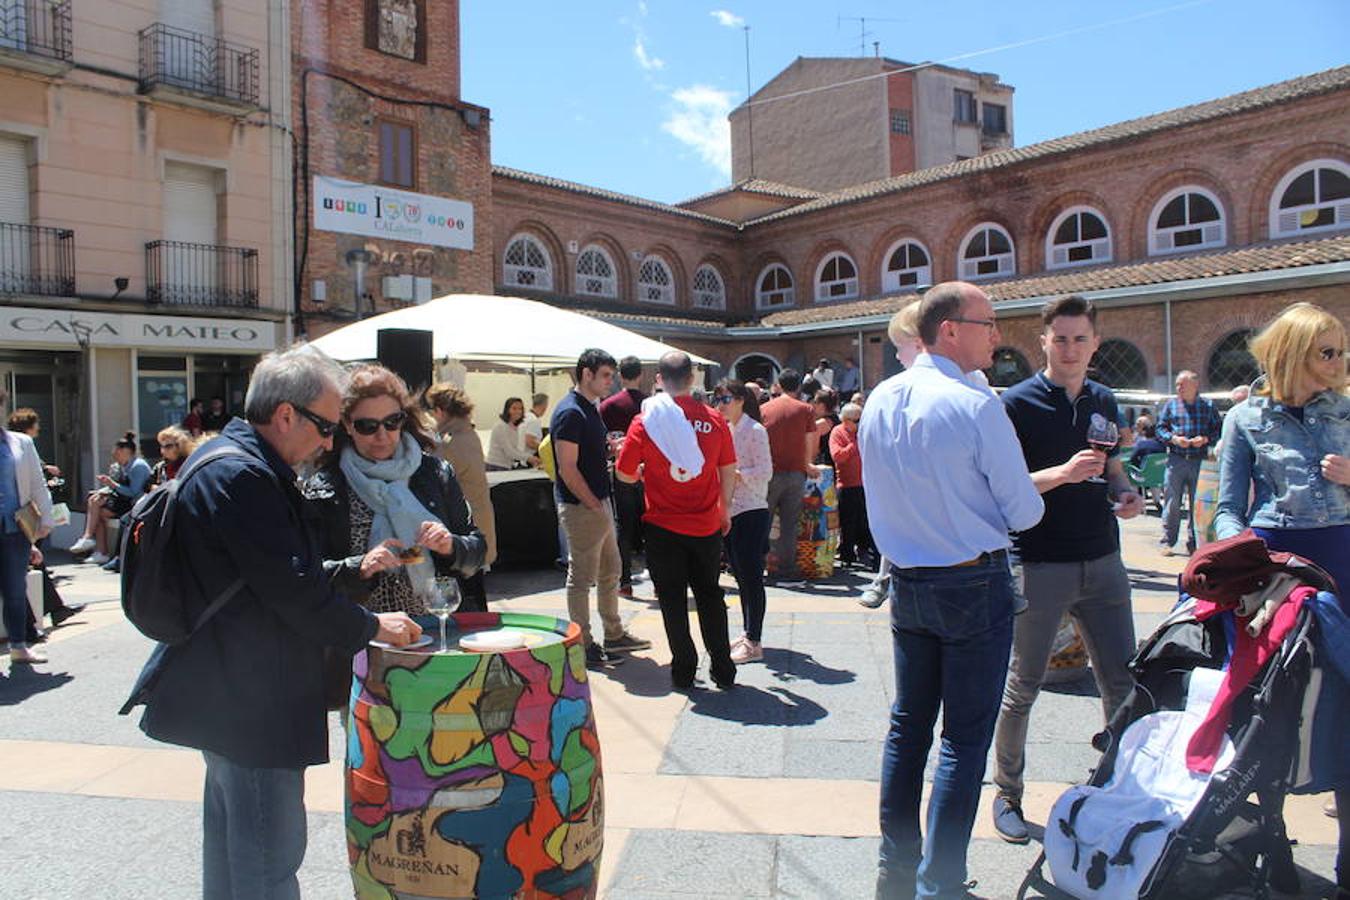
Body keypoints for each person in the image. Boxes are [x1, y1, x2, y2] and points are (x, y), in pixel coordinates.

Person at [129, 345, 423, 900]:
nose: (329, 441)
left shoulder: (227, 460)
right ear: (286, 415)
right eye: (327, 426)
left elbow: (267, 573)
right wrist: (370, 627)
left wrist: (347, 572)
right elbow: (289, 590)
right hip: (252, 700)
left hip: (229, 692)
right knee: (265, 860)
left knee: (233, 855)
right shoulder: (243, 476)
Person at [860, 282, 1043, 899]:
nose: (997, 333)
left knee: (908, 729)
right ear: (948, 331)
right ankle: (940, 883)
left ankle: (895, 868)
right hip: (972, 579)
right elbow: (1024, 511)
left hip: (909, 581)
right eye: (987, 323)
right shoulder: (975, 405)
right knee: (963, 741)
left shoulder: (881, 398)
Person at [990, 295, 1145, 844]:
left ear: (1095, 342)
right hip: (1040, 562)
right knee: (1022, 685)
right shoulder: (1017, 403)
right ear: (1044, 342)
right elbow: (1003, 487)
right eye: (1061, 339)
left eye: (1081, 339)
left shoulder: (1104, 397)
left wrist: (1126, 494)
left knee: (1123, 682)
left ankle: (1118, 786)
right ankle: (1007, 793)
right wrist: (1060, 473)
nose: (1071, 348)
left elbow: (1116, 467)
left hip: (1104, 558)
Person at [1213, 302, 1348, 896]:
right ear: (1292, 355)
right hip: (1274, 575)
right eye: (1328, 351)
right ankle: (1267, 847)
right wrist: (1242, 560)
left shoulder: (1348, 410)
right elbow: (1225, 510)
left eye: (1342, 349)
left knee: (1345, 708)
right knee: (1263, 712)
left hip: (1344, 567)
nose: (1340, 361)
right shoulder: (1244, 419)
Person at [307, 364, 486, 619]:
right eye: (367, 426)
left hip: (435, 627)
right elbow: (307, 576)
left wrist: (450, 546)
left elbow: (477, 550)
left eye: (392, 422)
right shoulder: (327, 486)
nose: (382, 435)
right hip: (361, 636)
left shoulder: (434, 472)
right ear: (347, 425)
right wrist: (360, 567)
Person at [616, 352, 737, 690]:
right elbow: (728, 469)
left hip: (663, 525)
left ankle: (684, 670)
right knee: (710, 596)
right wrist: (723, 508)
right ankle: (723, 668)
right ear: (692, 379)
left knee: (671, 600)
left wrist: (642, 472)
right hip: (706, 524)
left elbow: (625, 476)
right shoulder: (715, 420)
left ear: (659, 380)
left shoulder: (646, 422)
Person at [552, 348, 650, 668]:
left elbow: (584, 459)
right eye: (606, 375)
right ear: (586, 374)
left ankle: (613, 634)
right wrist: (593, 503)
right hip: (583, 506)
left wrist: (609, 450)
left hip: (598, 503)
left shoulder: (588, 408)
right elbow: (567, 467)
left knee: (611, 571)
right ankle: (583, 643)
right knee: (581, 577)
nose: (612, 382)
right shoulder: (570, 412)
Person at [858, 301, 922, 610]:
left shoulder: (971, 384)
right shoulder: (890, 393)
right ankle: (884, 577)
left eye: (900, 346)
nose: (896, 356)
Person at [425, 383, 497, 613]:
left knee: (466, 594)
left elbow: (432, 472)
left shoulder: (451, 442)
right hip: (478, 518)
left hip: (464, 525)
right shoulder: (469, 433)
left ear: (442, 410)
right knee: (475, 586)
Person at [719, 380, 772, 664]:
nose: (721, 405)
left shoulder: (755, 430)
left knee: (751, 577)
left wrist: (736, 473)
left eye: (725, 399)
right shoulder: (726, 428)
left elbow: (766, 471)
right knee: (740, 576)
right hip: (730, 508)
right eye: (718, 399)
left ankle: (755, 640)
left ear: (740, 399)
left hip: (751, 508)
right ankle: (748, 632)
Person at [1, 387, 55, 664]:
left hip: (14, 528)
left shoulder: (20, 443)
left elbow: (36, 482)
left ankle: (19, 646)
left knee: (14, 589)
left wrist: (45, 520)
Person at [1155, 370, 1221, 555]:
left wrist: (1206, 439)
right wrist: (1174, 439)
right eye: (1177, 385)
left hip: (1200, 460)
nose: (1178, 388)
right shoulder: (1171, 405)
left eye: (1182, 384)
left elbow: (1218, 430)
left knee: (1197, 505)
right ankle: (1167, 542)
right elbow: (1160, 429)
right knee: (1172, 502)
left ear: (1195, 385)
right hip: (1176, 459)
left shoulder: (1207, 406)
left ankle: (1194, 544)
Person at [760, 369, 818, 578]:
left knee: (763, 522)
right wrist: (808, 464)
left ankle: (759, 565)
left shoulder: (764, 409)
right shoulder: (806, 409)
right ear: (799, 386)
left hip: (768, 473)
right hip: (795, 472)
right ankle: (787, 567)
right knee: (790, 523)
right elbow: (809, 441)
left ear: (779, 385)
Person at [601, 356, 648, 597]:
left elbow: (602, 441)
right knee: (652, 525)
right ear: (640, 375)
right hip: (650, 471)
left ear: (621, 375)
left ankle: (625, 581)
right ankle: (659, 584)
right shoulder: (650, 404)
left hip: (620, 470)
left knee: (624, 525)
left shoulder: (608, 406)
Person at [69, 431, 152, 565]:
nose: (115, 457)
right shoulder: (122, 467)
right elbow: (118, 487)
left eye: (117, 453)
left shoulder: (138, 466)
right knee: (96, 503)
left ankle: (89, 538)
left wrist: (111, 484)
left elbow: (133, 492)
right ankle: (100, 551)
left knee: (96, 504)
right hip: (124, 501)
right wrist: (104, 490)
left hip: (135, 503)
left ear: (126, 452)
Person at [831, 402, 874, 568]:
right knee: (848, 523)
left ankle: (867, 553)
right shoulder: (838, 432)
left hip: (865, 483)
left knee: (865, 521)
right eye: (856, 420)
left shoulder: (864, 432)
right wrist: (853, 446)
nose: (859, 423)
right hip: (847, 484)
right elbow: (837, 456)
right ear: (846, 420)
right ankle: (847, 555)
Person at [487, 397, 538, 471]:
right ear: (507, 410)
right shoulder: (501, 426)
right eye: (514, 408)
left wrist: (530, 457)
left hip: (506, 466)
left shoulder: (514, 427)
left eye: (520, 409)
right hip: (496, 466)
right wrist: (529, 458)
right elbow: (509, 451)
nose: (518, 411)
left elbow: (515, 450)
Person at [813, 389, 840, 466]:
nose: (813, 405)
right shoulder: (838, 420)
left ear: (821, 405)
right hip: (837, 465)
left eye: (815, 402)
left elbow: (813, 453)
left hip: (825, 467)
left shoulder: (819, 425)